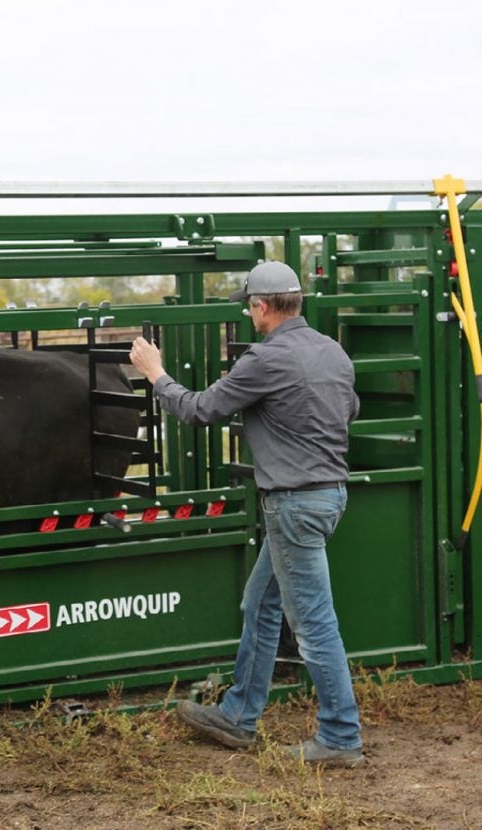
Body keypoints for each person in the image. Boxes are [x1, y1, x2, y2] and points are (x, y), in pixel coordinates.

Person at [129, 260, 363, 767]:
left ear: (261, 307)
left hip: (294, 505)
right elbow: (349, 411)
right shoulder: (333, 352)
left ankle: (342, 736)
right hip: (329, 497)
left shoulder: (264, 359)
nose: (248, 313)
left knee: (314, 625)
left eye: (248, 305)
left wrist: (156, 374)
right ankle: (239, 716)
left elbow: (198, 410)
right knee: (261, 601)